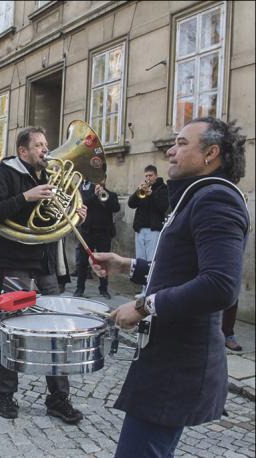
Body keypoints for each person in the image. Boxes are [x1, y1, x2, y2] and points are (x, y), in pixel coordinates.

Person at [91, 117, 249, 457]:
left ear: (211, 153)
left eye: (180, 143)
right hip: (167, 356)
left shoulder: (215, 200)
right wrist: (125, 264)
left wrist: (143, 306)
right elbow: (177, 270)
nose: (171, 151)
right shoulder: (198, 197)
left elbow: (220, 285)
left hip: (178, 364)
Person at [0, 126, 86, 424]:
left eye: (46, 144)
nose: (45, 149)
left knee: (56, 332)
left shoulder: (49, 176)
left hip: (45, 263)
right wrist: (25, 196)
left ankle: (58, 398)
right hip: (14, 262)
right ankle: (4, 393)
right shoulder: (7, 173)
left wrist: (74, 215)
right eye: (38, 145)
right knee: (14, 330)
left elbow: (53, 219)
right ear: (23, 151)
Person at [74, 177, 120, 299]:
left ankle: (103, 289)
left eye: (103, 181)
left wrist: (105, 197)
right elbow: (83, 204)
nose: (100, 184)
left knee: (103, 263)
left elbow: (116, 208)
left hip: (104, 233)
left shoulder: (111, 194)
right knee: (82, 262)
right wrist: (95, 195)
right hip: (88, 232)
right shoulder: (87, 193)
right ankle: (80, 288)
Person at [127, 164, 168, 261]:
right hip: (140, 229)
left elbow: (163, 207)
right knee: (140, 259)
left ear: (156, 176)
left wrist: (152, 194)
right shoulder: (143, 188)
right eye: (146, 176)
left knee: (151, 259)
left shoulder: (162, 188)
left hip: (153, 230)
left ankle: (150, 277)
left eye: (150, 175)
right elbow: (131, 204)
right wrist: (138, 191)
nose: (148, 178)